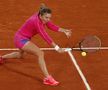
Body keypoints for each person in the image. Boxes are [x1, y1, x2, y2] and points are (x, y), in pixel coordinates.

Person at [0, 3, 71, 86]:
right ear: (41, 16)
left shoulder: (42, 17)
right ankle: (47, 78)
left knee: (20, 55)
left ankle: (1, 58)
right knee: (40, 53)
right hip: (21, 39)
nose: (48, 19)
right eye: (46, 17)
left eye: (49, 17)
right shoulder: (36, 22)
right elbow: (45, 36)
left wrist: (64, 30)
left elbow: (51, 25)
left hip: (21, 37)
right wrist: (57, 48)